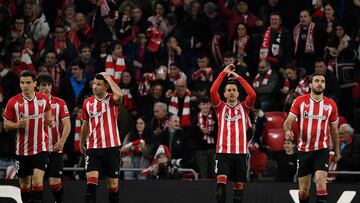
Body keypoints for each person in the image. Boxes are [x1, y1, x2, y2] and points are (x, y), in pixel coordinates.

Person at [283, 73, 341, 203]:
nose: (320, 83)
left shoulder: (331, 104)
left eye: (322, 81)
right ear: (310, 84)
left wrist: (337, 151)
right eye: (316, 81)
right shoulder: (300, 101)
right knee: (303, 192)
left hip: (322, 149)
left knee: (321, 183)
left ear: (325, 85)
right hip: (304, 150)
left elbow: (334, 130)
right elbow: (288, 121)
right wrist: (287, 130)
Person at [3, 70, 53, 203]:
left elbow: (49, 116)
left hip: (40, 147)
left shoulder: (43, 99)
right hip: (21, 150)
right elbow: (6, 126)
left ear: (35, 84)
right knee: (25, 185)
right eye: (22, 83)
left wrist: (51, 122)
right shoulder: (13, 102)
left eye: (28, 83)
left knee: (37, 181)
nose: (25, 86)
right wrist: (17, 125)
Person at [210, 64, 256, 203]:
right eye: (228, 90)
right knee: (220, 187)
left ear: (237, 93)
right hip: (223, 152)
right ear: (224, 94)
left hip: (241, 153)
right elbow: (212, 91)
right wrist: (223, 73)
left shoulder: (245, 107)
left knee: (238, 190)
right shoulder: (219, 107)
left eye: (233, 90)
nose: (231, 92)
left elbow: (252, 94)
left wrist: (238, 77)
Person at [79, 72, 123, 203]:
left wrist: (109, 78)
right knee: (91, 184)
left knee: (113, 187)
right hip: (93, 147)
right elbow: (85, 125)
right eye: (94, 83)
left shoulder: (112, 99)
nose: (94, 87)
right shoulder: (87, 102)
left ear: (106, 87)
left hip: (112, 147)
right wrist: (82, 143)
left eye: (98, 84)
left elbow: (120, 95)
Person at [37, 73, 71, 203]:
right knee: (35, 182)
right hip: (37, 150)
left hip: (55, 149)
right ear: (37, 87)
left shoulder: (59, 103)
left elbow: (67, 124)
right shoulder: (32, 104)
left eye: (49, 85)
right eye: (43, 85)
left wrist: (61, 142)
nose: (47, 88)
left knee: (55, 183)